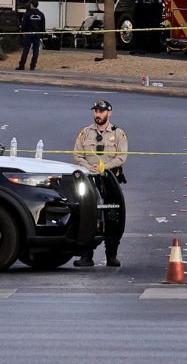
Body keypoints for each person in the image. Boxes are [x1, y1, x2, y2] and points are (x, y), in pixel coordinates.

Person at [72, 99, 127, 267]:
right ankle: (86, 256)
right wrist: (89, 168)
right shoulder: (85, 133)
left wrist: (105, 167)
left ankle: (111, 255)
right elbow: (77, 155)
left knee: (113, 216)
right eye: (96, 111)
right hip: (90, 179)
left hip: (110, 180)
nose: (98, 114)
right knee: (87, 214)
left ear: (109, 113)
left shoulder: (118, 134)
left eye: (101, 111)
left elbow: (121, 157)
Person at [15, 0, 46, 71]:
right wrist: (41, 34)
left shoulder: (27, 14)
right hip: (37, 34)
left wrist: (23, 31)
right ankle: (33, 66)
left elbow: (24, 24)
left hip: (28, 34)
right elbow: (43, 26)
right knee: (36, 51)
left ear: (31, 4)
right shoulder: (41, 14)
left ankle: (21, 65)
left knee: (26, 50)